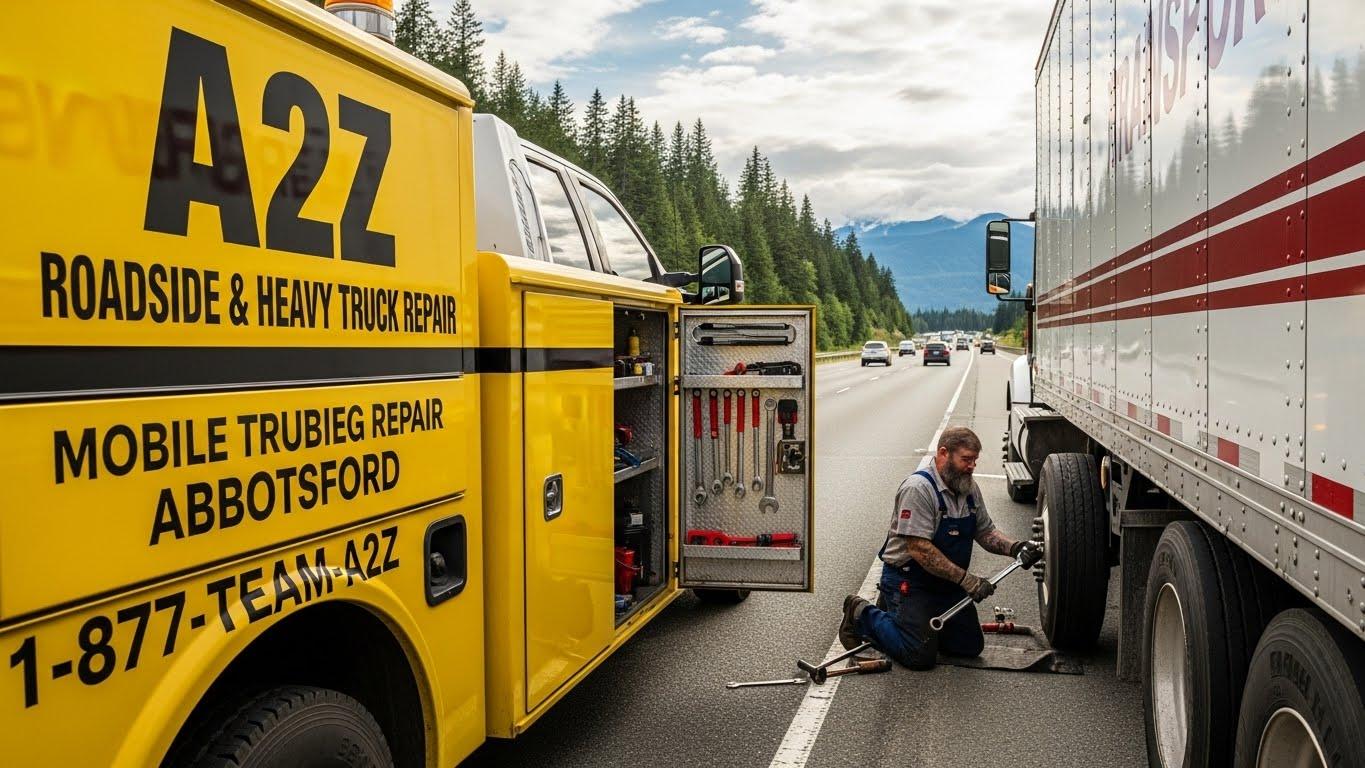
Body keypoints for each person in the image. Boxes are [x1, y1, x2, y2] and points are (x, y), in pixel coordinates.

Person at [838, 426, 1041, 669]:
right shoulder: (918, 489)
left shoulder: (968, 489)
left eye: (975, 460)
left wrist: (1016, 547)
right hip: (910, 580)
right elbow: (919, 549)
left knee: (969, 647)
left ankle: (905, 622)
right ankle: (861, 613)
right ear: (944, 453)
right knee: (918, 656)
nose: (972, 466)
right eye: (966, 459)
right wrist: (968, 581)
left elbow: (985, 531)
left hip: (947, 584)